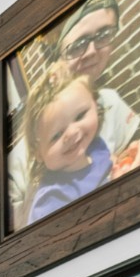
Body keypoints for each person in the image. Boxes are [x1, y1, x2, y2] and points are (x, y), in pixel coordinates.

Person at [8, 0, 140, 218]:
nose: (91, 51)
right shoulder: (49, 194)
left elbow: (110, 163)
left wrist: (129, 163)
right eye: (78, 45)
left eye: (103, 34)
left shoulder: (99, 138)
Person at [22, 68, 112, 225]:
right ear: (38, 153)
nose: (71, 133)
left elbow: (107, 167)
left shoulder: (96, 147)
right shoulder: (50, 201)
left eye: (80, 116)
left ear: (95, 103)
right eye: (56, 135)